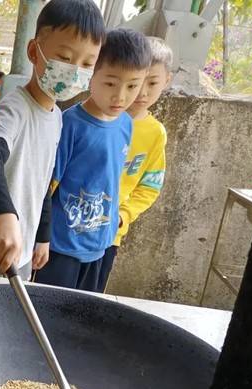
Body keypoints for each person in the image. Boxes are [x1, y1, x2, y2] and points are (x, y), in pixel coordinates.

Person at [0, 0, 105, 277]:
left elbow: (43, 180)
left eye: (87, 63)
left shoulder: (57, 117)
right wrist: (3, 216)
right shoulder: (14, 108)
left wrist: (42, 236)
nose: (75, 71)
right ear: (35, 52)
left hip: (23, 246)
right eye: (65, 58)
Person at [34, 28, 151, 292]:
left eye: (132, 86)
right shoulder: (69, 124)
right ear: (91, 74)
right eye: (110, 83)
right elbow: (47, 186)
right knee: (49, 310)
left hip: (100, 245)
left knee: (87, 312)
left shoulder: (126, 124)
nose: (120, 96)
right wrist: (41, 239)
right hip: (60, 247)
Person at [98, 37, 173, 291]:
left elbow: (149, 187)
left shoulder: (155, 134)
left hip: (111, 233)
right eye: (138, 82)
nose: (142, 92)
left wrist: (123, 216)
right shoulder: (94, 120)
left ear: (167, 81)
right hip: (70, 230)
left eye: (152, 83)